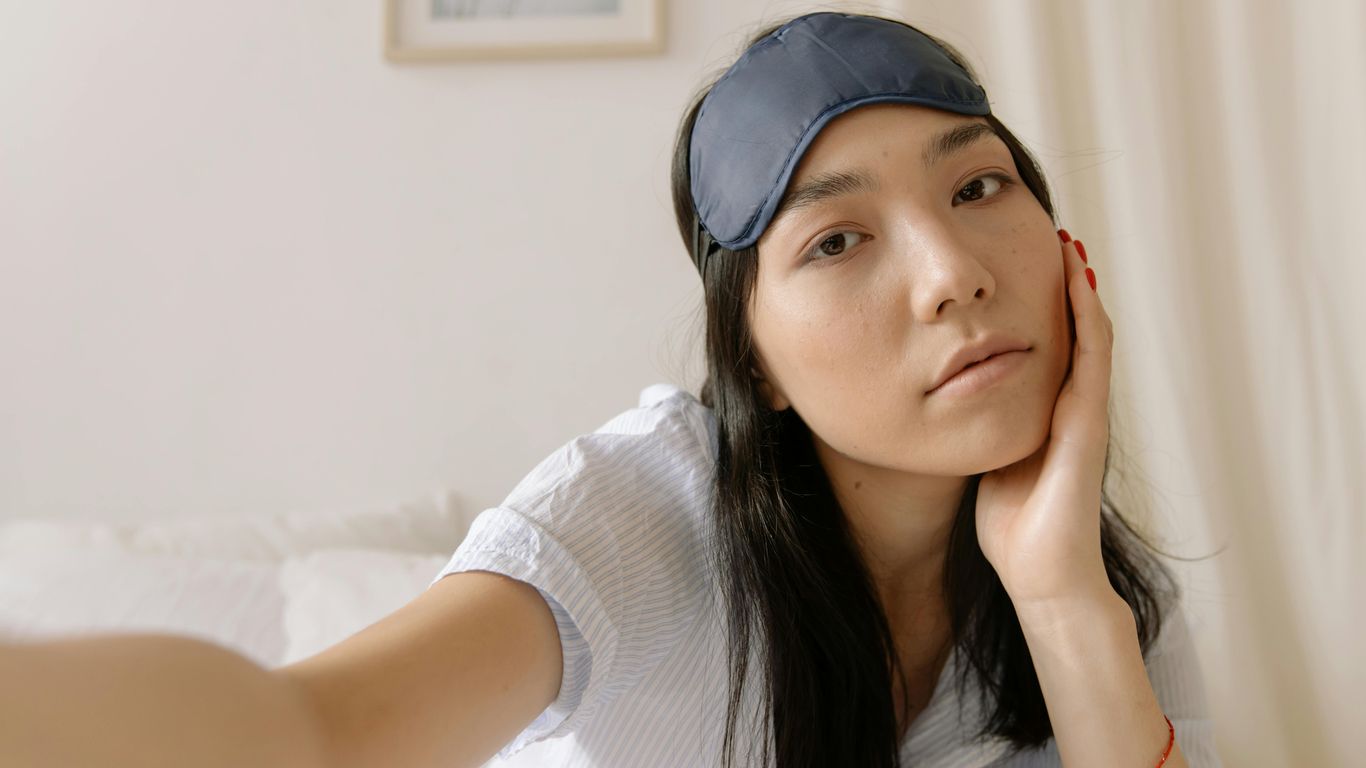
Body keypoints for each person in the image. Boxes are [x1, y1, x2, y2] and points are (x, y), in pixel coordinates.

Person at [0, 10, 1219, 768]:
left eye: (979, 189)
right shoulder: (638, 518)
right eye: (835, 241)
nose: (951, 274)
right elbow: (317, 735)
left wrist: (1062, 605)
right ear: (754, 367)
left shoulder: (1088, 589)